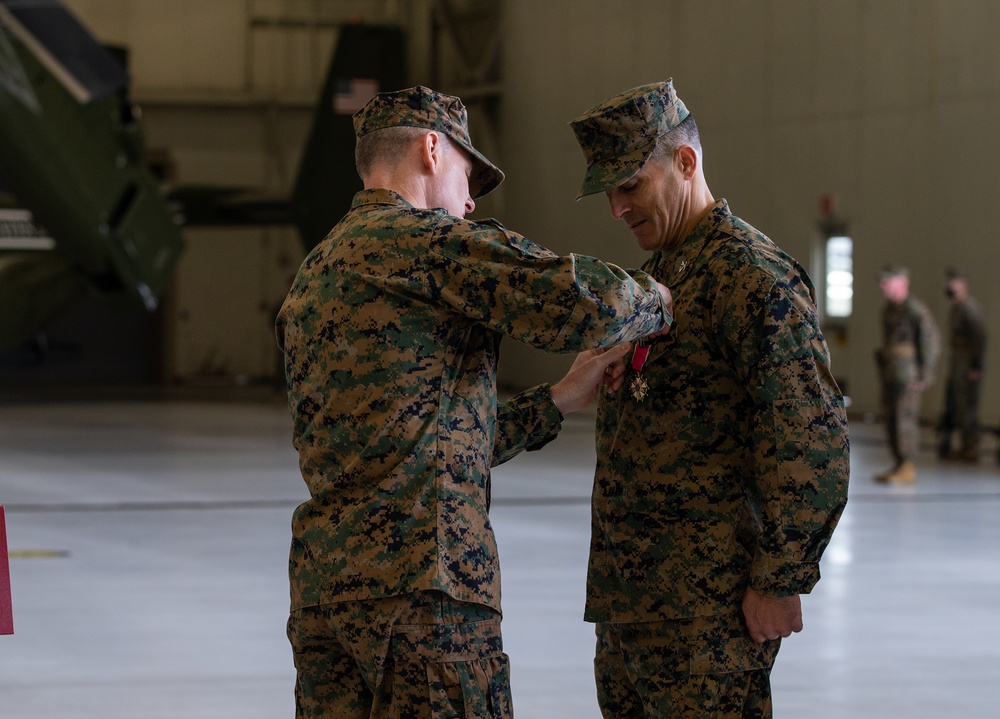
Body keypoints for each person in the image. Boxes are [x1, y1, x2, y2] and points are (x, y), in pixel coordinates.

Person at [275, 85, 674, 718]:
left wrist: (560, 399)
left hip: (326, 598)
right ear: (432, 149)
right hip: (425, 597)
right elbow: (589, 300)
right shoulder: (431, 246)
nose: (467, 203)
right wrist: (663, 296)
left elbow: (424, 441)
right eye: (468, 178)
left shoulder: (316, 275)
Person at [567, 80, 850, 718]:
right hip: (634, 604)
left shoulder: (751, 278)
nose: (616, 208)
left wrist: (780, 579)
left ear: (686, 163)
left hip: (707, 618)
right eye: (609, 191)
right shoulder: (663, 278)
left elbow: (812, 438)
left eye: (630, 185)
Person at [876, 264, 940, 483]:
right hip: (891, 372)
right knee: (891, 417)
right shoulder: (889, 309)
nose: (883, 285)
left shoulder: (915, 309)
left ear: (903, 283)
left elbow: (930, 341)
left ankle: (908, 465)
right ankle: (898, 463)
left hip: (908, 374)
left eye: (888, 281)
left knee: (905, 419)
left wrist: (925, 374)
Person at [937, 267, 987, 462]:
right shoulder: (957, 307)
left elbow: (980, 336)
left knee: (968, 406)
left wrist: (976, 366)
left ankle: (972, 445)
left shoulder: (969, 307)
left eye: (953, 282)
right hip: (958, 363)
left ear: (963, 285)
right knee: (957, 404)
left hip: (968, 364)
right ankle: (966, 445)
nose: (949, 286)